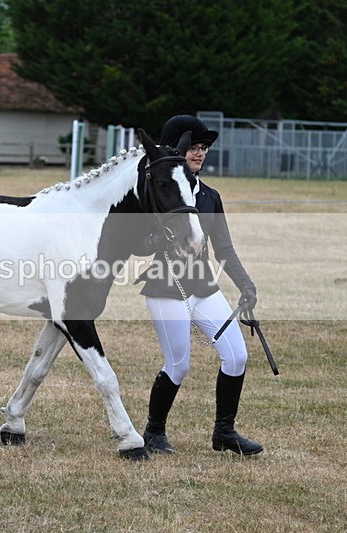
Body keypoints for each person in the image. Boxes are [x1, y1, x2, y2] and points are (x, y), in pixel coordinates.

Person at [137, 114, 261, 456]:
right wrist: (155, 239)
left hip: (203, 285)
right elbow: (136, 243)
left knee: (237, 356)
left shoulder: (210, 196)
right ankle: (154, 432)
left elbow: (224, 247)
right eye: (193, 147)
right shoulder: (155, 190)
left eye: (204, 147)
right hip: (165, 286)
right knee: (179, 364)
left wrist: (245, 284)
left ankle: (224, 433)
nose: (200, 153)